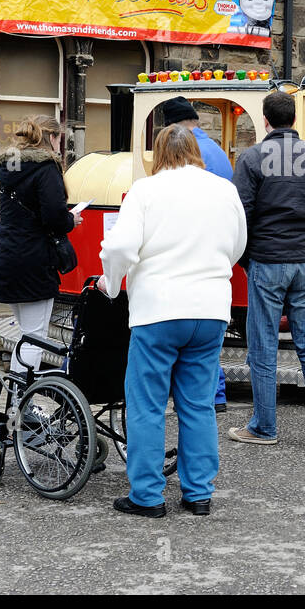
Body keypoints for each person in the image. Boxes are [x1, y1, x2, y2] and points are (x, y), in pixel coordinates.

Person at [98, 125, 247, 517]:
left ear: (158, 153)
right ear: (196, 151)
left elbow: (120, 246)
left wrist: (110, 284)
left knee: (146, 405)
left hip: (158, 311)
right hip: (211, 309)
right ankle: (198, 494)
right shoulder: (224, 191)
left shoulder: (146, 190)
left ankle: (147, 496)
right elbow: (237, 246)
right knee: (197, 404)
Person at [229, 90, 305, 446]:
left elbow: (240, 216)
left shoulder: (252, 158)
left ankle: (264, 427)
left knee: (263, 347)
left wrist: (248, 258)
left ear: (265, 120)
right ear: (295, 120)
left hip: (267, 262)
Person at [160, 95, 233, 413]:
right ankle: (215, 396)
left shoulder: (179, 154)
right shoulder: (219, 153)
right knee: (206, 345)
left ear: (172, 127)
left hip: (180, 259)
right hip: (214, 259)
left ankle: (179, 398)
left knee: (173, 340)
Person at [0, 115, 80, 375]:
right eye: (59, 140)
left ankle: (17, 401)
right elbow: (54, 216)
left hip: (7, 257)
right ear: (51, 138)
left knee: (25, 333)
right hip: (34, 260)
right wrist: (71, 220)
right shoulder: (46, 168)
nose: (59, 147)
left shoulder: (9, 165)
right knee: (35, 336)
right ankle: (22, 404)